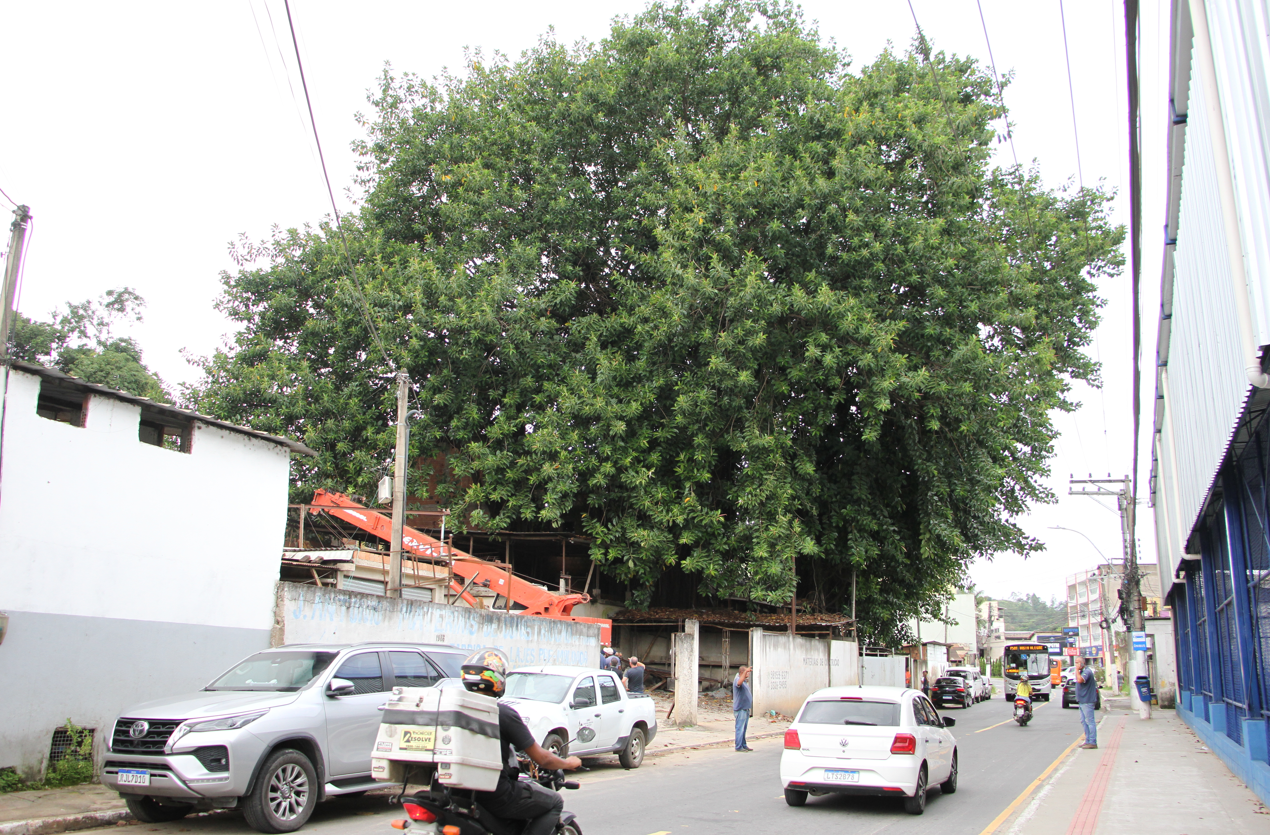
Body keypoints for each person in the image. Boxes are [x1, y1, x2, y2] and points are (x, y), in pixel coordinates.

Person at [461, 647, 582, 835]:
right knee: (554, 802)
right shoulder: (503, 713)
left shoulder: (455, 710)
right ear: (498, 680)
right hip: (494, 794)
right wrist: (567, 762)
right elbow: (543, 759)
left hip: (456, 792)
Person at [1075, 656, 1098, 749]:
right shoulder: (1082, 672)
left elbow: (1080, 680)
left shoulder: (1087, 672)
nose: (1076, 664)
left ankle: (1092, 741)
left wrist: (1076, 670)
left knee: (1089, 721)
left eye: (1077, 663)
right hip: (1082, 701)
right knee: (1084, 721)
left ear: (1082, 663)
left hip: (1087, 700)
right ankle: (1088, 740)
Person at [733, 665, 753, 752]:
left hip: (745, 709)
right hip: (740, 709)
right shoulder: (738, 679)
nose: (748, 674)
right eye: (746, 672)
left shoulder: (744, 681)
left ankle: (743, 744)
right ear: (742, 673)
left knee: (744, 729)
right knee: (740, 728)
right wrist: (744, 673)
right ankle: (738, 746)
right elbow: (738, 684)